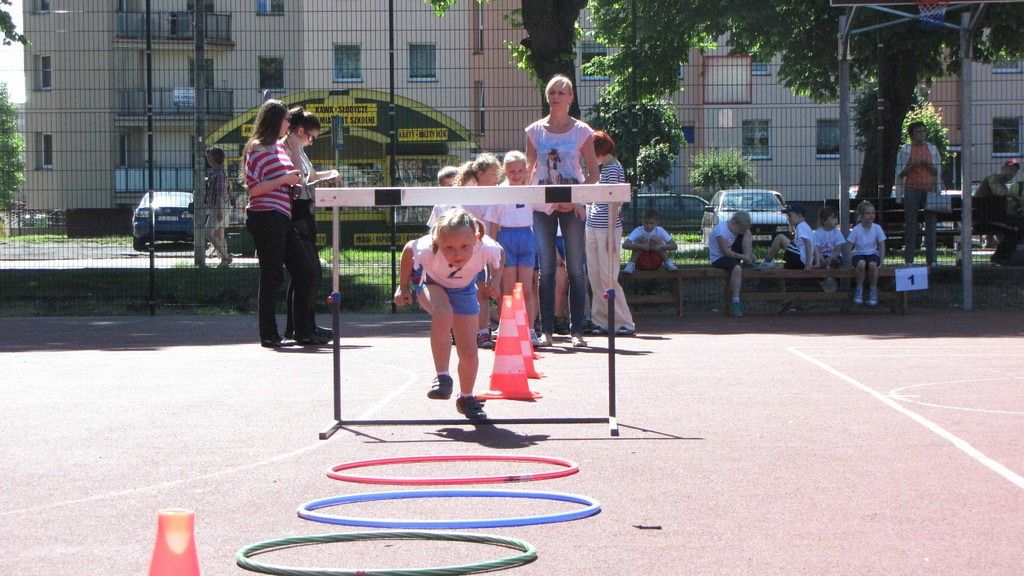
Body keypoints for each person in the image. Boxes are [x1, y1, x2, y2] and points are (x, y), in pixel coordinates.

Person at [394, 208, 504, 422]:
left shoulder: (486, 246)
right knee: (444, 313)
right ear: (438, 241)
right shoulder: (428, 247)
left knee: (469, 350)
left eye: (465, 247)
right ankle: (442, 377)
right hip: (431, 284)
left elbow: (501, 253)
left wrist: (495, 279)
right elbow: (408, 250)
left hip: (464, 290)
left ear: (476, 238)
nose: (457, 254)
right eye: (449, 248)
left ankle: (466, 398)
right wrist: (403, 286)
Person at [526, 74, 599, 349]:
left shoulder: (582, 131)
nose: (556, 97)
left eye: (561, 92)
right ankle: (546, 331)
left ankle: (577, 330)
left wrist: (577, 200)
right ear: (547, 96)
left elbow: (593, 172)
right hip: (543, 205)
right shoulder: (534, 131)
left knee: (576, 268)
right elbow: (530, 169)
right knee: (546, 269)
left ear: (570, 98)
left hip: (573, 204)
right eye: (552, 92)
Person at [241, 99, 311, 349]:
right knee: (272, 276)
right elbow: (255, 189)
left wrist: (289, 181)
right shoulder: (257, 148)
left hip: (282, 216)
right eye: (286, 119)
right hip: (266, 217)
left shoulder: (280, 148)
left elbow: (295, 175)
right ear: (274, 120)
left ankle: (300, 328)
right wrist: (284, 179)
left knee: (304, 270)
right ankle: (269, 334)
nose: (289, 123)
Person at [429, 154, 502, 349]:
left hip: (476, 252)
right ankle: (458, 330)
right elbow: (433, 229)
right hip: (453, 256)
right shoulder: (446, 202)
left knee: (482, 290)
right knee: (455, 291)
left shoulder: (486, 198)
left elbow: (489, 227)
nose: (497, 178)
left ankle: (483, 331)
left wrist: (494, 273)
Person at [283, 106, 339, 345]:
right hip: (297, 213)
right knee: (308, 271)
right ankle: (302, 329)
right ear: (300, 130)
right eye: (310, 136)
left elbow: (311, 175)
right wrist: (295, 140)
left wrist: (330, 173)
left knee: (306, 273)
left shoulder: (300, 147)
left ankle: (303, 325)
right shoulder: (292, 143)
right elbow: (299, 177)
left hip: (305, 211)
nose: (311, 141)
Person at [484, 150, 540, 346]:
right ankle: (504, 328)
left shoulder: (531, 191)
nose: (516, 175)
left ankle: (530, 330)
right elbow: (492, 226)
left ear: (526, 171)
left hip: (526, 237)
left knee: (527, 289)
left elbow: (547, 208)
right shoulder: (499, 191)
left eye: (520, 171)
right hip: (505, 239)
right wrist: (490, 251)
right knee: (506, 289)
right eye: (512, 171)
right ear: (505, 172)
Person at [584, 130, 635, 336]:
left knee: (608, 277)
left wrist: (612, 236)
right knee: (595, 276)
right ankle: (601, 320)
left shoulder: (613, 169)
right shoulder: (601, 169)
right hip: (593, 225)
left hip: (606, 228)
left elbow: (614, 203)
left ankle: (624, 322)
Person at [894, 120, 942, 266]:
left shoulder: (932, 149)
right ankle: (909, 260)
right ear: (911, 135)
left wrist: (927, 164)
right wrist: (913, 166)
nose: (921, 135)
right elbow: (900, 173)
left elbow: (937, 172)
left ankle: (932, 260)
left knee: (931, 225)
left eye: (923, 131)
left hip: (930, 189)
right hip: (911, 189)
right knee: (911, 224)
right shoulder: (906, 150)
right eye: (918, 132)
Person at [974, 158, 1022, 265]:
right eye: (1010, 169)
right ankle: (1001, 257)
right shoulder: (993, 178)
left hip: (990, 218)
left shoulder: (1003, 185)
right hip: (983, 220)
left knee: (1015, 227)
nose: (1012, 173)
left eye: (1015, 171)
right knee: (1015, 229)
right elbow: (999, 192)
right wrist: (1015, 196)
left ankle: (1003, 257)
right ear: (1003, 168)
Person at [707, 211, 753, 317]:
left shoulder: (736, 230)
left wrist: (749, 253)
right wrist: (743, 257)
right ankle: (736, 302)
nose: (740, 232)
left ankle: (749, 260)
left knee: (748, 232)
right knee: (737, 268)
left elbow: (742, 239)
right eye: (740, 229)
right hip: (720, 258)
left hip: (732, 252)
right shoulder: (721, 232)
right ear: (733, 223)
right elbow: (726, 252)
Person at [846, 201, 887, 306]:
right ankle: (859, 288)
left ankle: (873, 289)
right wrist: (850, 262)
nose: (871, 215)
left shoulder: (877, 228)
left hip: (872, 254)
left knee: (873, 265)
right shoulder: (856, 229)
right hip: (858, 254)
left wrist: (881, 261)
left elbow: (881, 244)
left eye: (873, 213)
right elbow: (849, 246)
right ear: (861, 215)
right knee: (861, 264)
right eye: (868, 213)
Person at [756, 204, 814, 271]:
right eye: (787, 216)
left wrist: (808, 263)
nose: (788, 218)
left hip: (801, 259)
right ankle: (768, 271)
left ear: (799, 214)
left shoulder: (801, 226)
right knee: (778, 269)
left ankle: (767, 261)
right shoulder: (805, 226)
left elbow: (809, 244)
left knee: (780, 237)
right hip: (800, 261)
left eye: (790, 216)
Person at [621, 208, 678, 274]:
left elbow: (674, 246)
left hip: (656, 261)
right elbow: (624, 245)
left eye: (651, 223)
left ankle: (668, 263)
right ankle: (630, 265)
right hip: (641, 262)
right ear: (642, 221)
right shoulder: (638, 230)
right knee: (642, 240)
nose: (648, 226)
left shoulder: (659, 230)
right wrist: (641, 246)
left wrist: (660, 247)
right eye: (646, 223)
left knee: (655, 240)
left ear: (657, 223)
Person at [203, 145, 232, 268]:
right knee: (219, 234)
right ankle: (224, 260)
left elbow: (220, 192)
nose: (207, 158)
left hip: (220, 206)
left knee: (208, 232)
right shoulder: (216, 171)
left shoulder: (219, 173)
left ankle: (225, 258)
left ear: (214, 158)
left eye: (209, 156)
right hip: (222, 206)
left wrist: (220, 211)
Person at [812, 205, 848, 269]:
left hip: (834, 256)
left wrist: (831, 257)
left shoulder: (837, 233)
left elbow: (838, 251)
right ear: (824, 221)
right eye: (833, 218)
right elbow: (817, 249)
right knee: (818, 261)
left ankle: (833, 273)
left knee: (835, 261)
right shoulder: (817, 233)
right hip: (822, 256)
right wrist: (822, 259)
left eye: (836, 218)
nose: (836, 220)